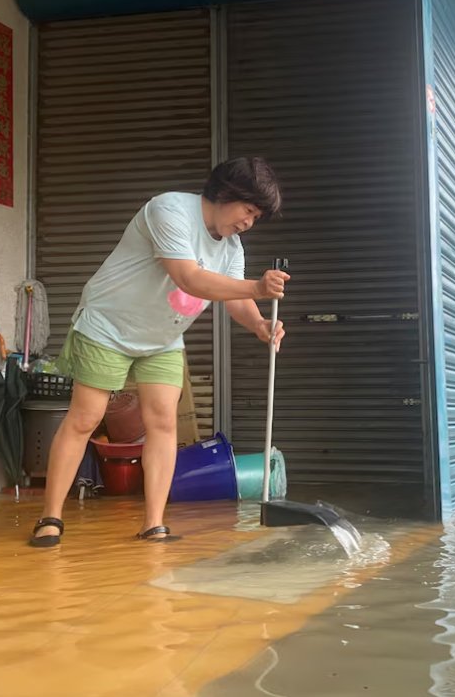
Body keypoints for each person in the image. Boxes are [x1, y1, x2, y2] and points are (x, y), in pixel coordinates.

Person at [30, 157, 287, 547]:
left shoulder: (232, 246)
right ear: (225, 194)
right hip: (109, 325)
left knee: (163, 422)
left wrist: (259, 325)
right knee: (86, 417)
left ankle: (153, 522)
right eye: (247, 211)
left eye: (255, 217)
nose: (248, 223)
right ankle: (50, 517)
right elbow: (190, 278)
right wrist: (257, 289)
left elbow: (234, 297)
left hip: (163, 337)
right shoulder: (168, 210)